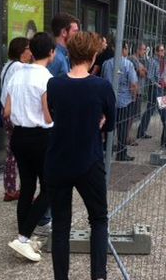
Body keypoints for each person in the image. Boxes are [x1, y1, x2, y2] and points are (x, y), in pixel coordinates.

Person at [45, 31, 115, 280]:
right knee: (98, 219)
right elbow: (110, 124)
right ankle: (98, 275)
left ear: (70, 54)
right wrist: (98, 122)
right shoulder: (102, 86)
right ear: (94, 55)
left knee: (61, 225)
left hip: (58, 160)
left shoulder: (54, 84)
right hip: (89, 160)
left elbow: (52, 115)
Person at [3, 32, 55, 262]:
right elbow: (47, 116)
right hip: (40, 138)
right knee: (50, 188)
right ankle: (23, 238)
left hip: (19, 136)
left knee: (27, 188)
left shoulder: (17, 74)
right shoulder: (47, 78)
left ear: (32, 51)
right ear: (52, 53)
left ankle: (23, 237)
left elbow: (6, 111)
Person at [0, 37, 32, 202]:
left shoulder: (8, 65)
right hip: (13, 113)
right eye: (28, 48)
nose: (31, 51)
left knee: (11, 152)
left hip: (6, 111)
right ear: (21, 51)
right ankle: (12, 190)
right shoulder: (19, 67)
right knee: (16, 153)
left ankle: (10, 187)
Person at [102, 42, 138, 161]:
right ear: (123, 49)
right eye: (127, 48)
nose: (127, 50)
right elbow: (133, 84)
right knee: (122, 128)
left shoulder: (106, 64)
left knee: (109, 127)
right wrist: (133, 97)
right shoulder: (128, 64)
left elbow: (104, 81)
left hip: (109, 100)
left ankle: (107, 151)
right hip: (124, 101)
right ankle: (121, 153)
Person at [137, 43, 166, 141]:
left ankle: (141, 131)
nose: (163, 52)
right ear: (157, 52)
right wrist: (157, 84)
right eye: (161, 50)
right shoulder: (153, 62)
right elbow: (150, 76)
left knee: (151, 110)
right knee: (161, 110)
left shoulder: (162, 61)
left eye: (163, 50)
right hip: (155, 89)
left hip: (160, 88)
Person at [48, 13, 80, 77]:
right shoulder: (56, 57)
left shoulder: (63, 55)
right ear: (64, 33)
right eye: (75, 31)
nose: (78, 35)